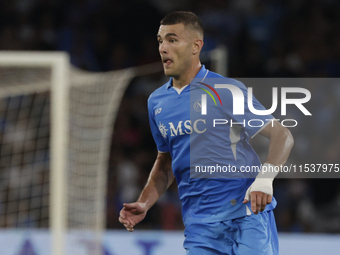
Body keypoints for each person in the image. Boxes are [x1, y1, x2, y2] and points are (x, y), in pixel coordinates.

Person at [119, 11, 294, 255]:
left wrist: (264, 180)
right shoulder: (157, 102)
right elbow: (166, 160)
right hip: (200, 226)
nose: (163, 48)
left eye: (172, 39)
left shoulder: (225, 90)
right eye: (160, 41)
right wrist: (144, 202)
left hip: (245, 216)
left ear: (196, 46)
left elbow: (282, 135)